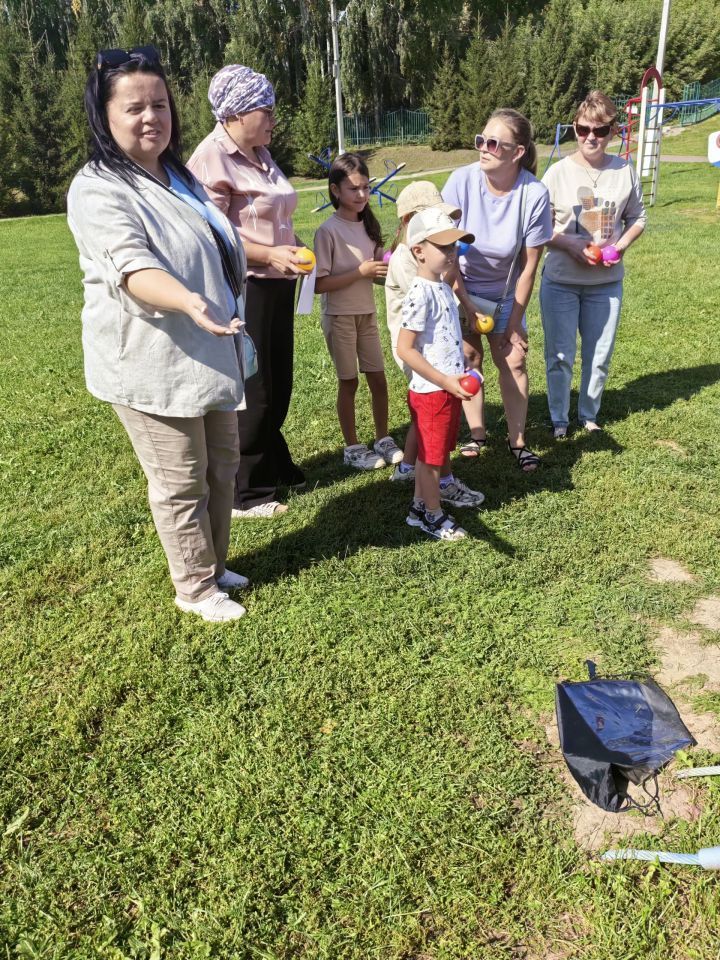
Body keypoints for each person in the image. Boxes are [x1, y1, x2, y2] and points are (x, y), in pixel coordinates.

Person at [66, 46, 250, 622]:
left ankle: (215, 564)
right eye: (135, 107)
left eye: (161, 104)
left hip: (209, 347)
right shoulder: (97, 188)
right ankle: (194, 588)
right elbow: (133, 267)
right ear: (105, 116)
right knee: (179, 479)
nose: (153, 117)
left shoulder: (178, 174)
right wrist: (189, 300)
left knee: (222, 463)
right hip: (151, 359)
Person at [187, 64, 306, 518]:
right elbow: (213, 234)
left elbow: (272, 214)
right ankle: (245, 491)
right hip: (245, 286)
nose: (274, 117)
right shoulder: (211, 158)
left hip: (277, 281)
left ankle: (272, 463)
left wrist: (289, 248)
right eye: (266, 109)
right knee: (253, 387)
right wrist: (269, 255)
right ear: (235, 113)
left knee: (279, 381)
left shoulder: (259, 151)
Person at [442, 108, 553, 472]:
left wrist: (514, 322)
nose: (483, 148)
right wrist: (466, 304)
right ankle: (477, 434)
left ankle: (518, 442)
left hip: (506, 294)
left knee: (514, 360)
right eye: (481, 140)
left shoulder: (534, 194)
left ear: (517, 152)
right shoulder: (460, 182)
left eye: (494, 143)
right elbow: (446, 254)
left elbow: (529, 267)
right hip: (462, 285)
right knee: (469, 358)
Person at [540, 90, 647, 437]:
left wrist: (620, 246)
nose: (591, 138)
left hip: (606, 283)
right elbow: (536, 228)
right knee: (559, 356)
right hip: (560, 280)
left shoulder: (624, 171)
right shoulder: (557, 173)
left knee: (599, 356)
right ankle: (559, 418)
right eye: (584, 129)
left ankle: (588, 414)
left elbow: (638, 218)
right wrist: (567, 244)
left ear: (613, 131)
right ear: (574, 128)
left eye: (600, 131)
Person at [385, 181, 486, 509]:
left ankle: (424, 493)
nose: (452, 254)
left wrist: (468, 309)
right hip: (427, 368)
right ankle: (430, 504)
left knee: (437, 437)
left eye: (454, 246)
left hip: (444, 373)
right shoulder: (415, 276)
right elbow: (406, 346)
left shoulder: (438, 280)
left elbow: (448, 285)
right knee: (431, 439)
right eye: (445, 246)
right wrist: (444, 379)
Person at [313, 153, 403, 471]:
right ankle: (352, 447)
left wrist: (396, 253)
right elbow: (319, 285)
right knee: (349, 382)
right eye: (354, 189)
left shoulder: (367, 226)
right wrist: (360, 272)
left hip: (367, 315)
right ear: (336, 191)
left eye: (366, 187)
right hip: (339, 318)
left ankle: (382, 439)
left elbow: (379, 269)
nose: (362, 195)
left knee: (378, 379)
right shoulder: (327, 231)